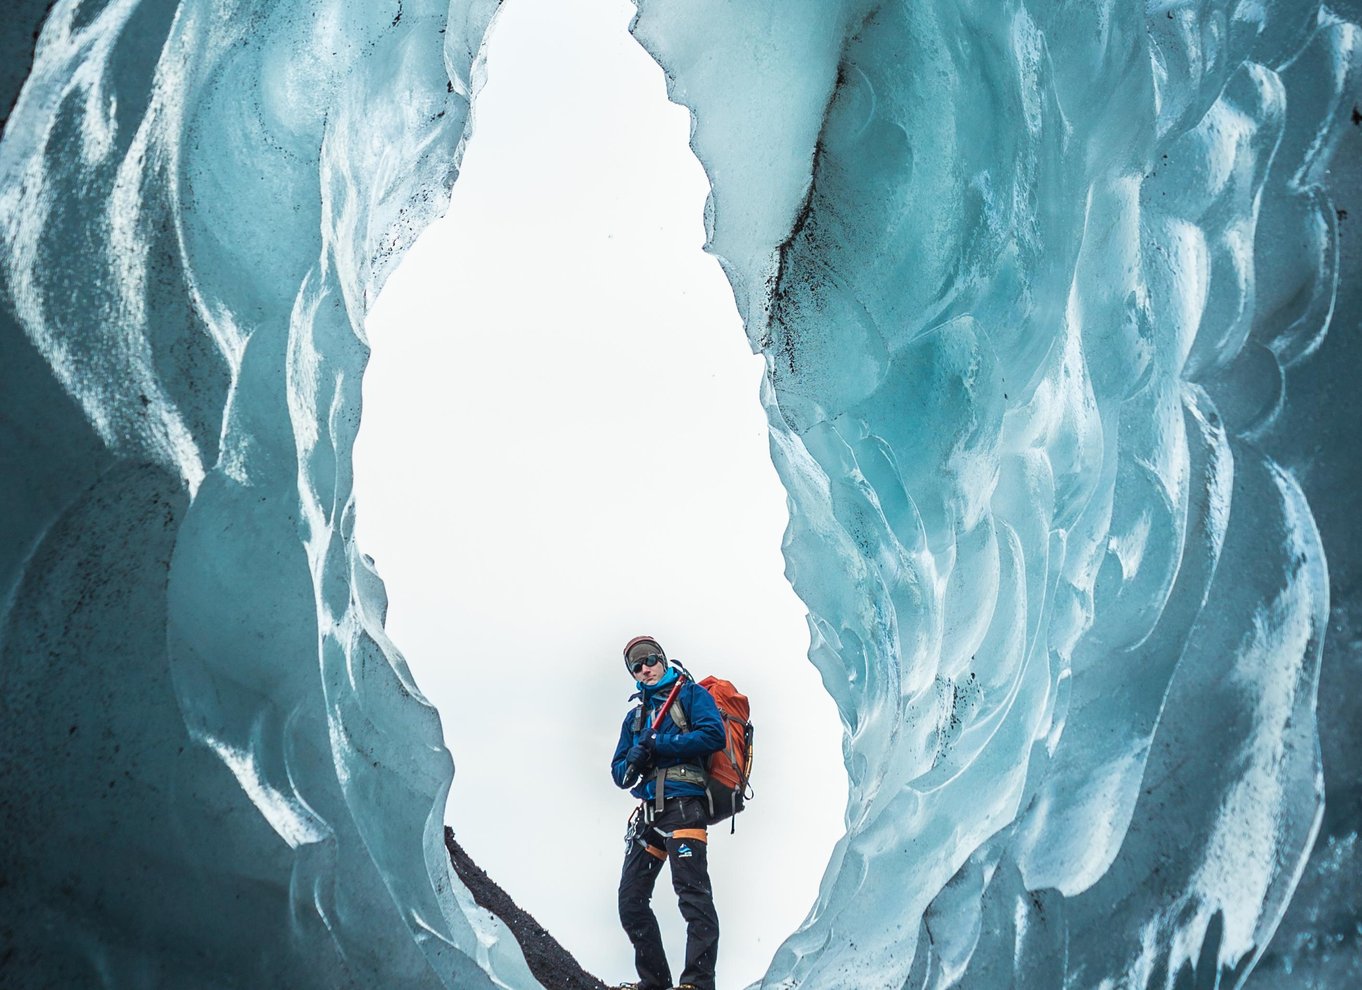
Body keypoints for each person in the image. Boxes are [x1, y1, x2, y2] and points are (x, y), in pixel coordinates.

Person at [611, 636, 725, 990]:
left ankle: (697, 984)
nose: (644, 668)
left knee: (693, 896)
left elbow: (714, 735)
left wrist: (660, 744)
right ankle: (655, 983)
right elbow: (618, 774)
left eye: (648, 660)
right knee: (631, 901)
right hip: (649, 816)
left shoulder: (690, 696)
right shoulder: (635, 718)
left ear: (661, 659)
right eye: (636, 666)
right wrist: (633, 758)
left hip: (684, 809)